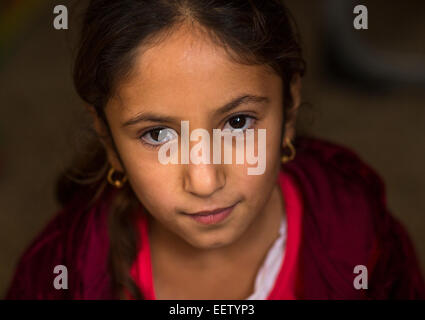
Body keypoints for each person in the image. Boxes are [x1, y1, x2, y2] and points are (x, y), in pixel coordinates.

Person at [5, 0, 425, 300]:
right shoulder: (63, 273)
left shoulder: (362, 239)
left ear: (289, 107)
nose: (205, 181)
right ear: (108, 139)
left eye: (238, 123)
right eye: (157, 134)